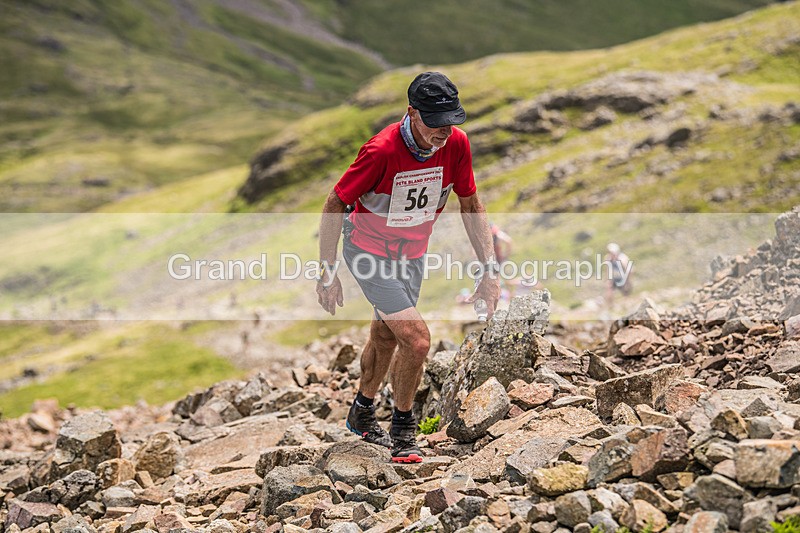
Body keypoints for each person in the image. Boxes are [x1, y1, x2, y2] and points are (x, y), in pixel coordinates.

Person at [316, 72, 501, 463]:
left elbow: (471, 205)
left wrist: (489, 269)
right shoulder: (381, 151)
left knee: (385, 335)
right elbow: (334, 204)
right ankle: (403, 432)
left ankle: (361, 413)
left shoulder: (456, 144)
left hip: (413, 253)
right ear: (411, 113)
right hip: (367, 250)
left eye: (451, 120)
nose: (444, 131)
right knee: (416, 340)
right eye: (435, 121)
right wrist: (327, 271)